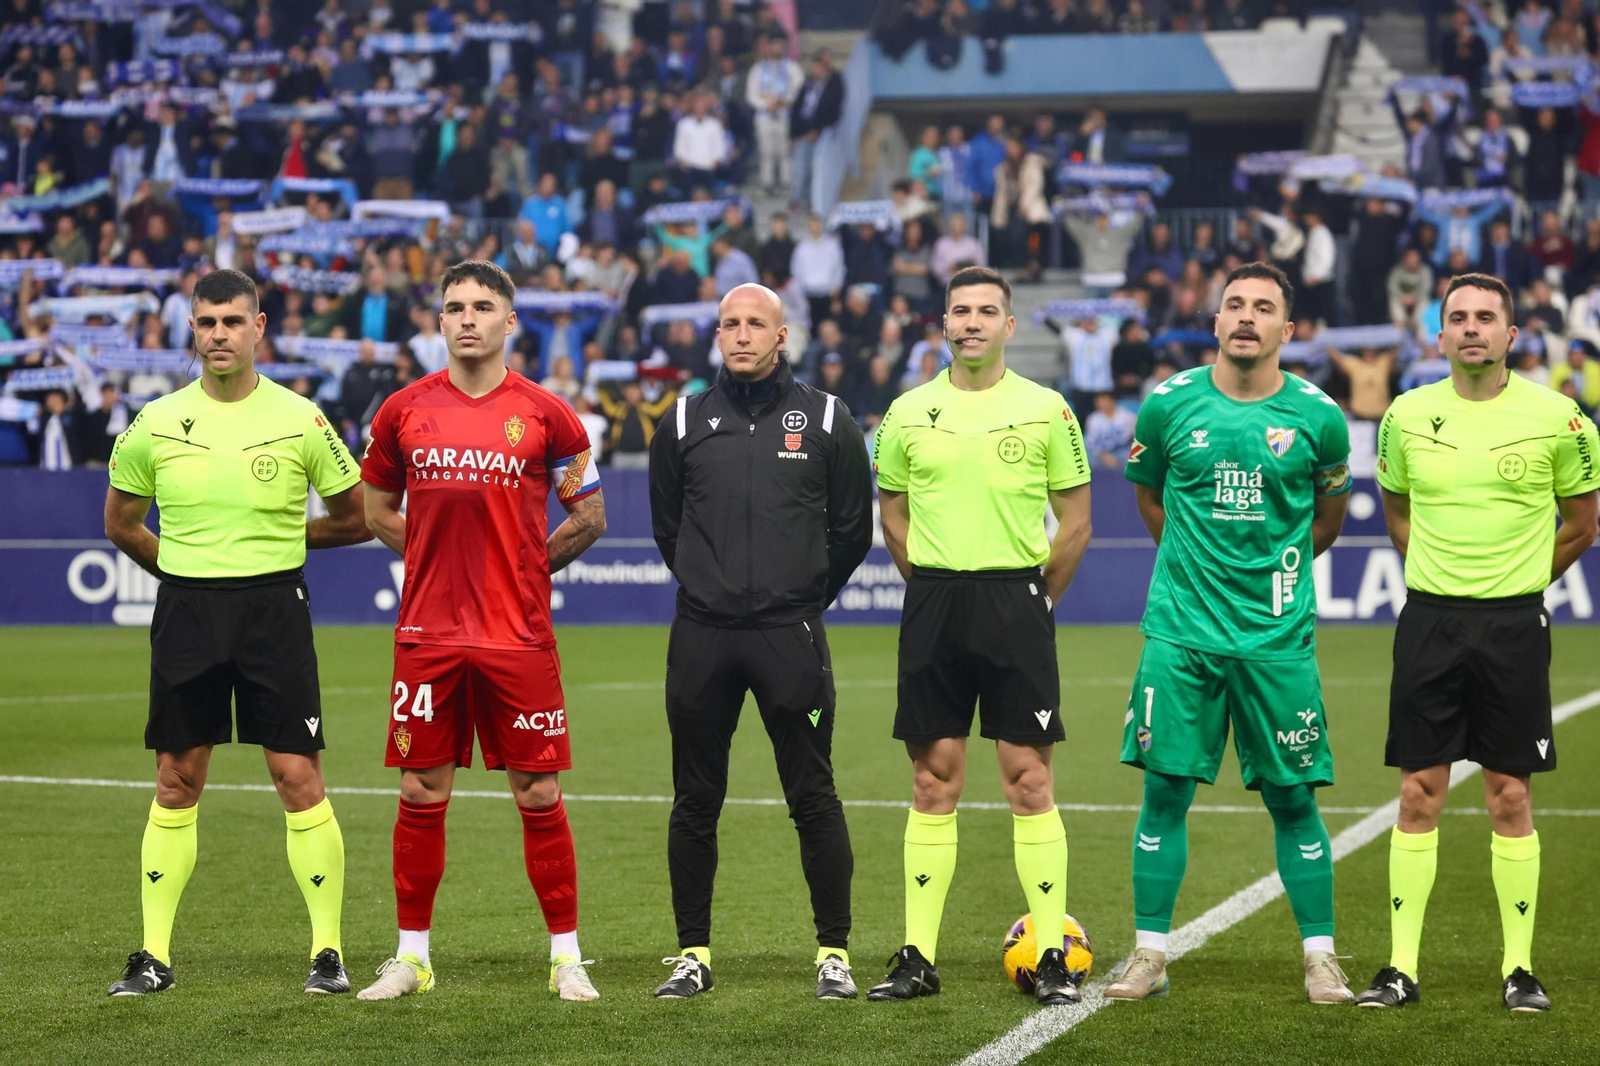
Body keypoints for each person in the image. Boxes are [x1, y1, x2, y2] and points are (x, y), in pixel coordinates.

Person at [103, 269, 371, 996]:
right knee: (177, 778)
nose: (218, 333)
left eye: (232, 320)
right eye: (206, 322)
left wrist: (281, 540)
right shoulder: (155, 420)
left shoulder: (302, 417)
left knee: (297, 775)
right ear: (191, 330)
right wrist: (186, 566)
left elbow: (356, 517)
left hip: (273, 610)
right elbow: (121, 523)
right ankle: (153, 955)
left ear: (259, 327)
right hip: (187, 610)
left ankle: (327, 953)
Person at [357, 260, 609, 1003]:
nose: (468, 318)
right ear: (438, 321)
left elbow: (588, 516)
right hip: (429, 634)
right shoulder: (401, 410)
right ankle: (411, 958)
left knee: (537, 792)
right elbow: (375, 511)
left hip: (517, 635)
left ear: (510, 321)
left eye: (483, 306)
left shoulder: (549, 414)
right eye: (454, 307)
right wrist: (437, 558)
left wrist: (526, 571)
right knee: (421, 786)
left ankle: (566, 958)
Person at [1104, 262, 1355, 1006]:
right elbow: (1151, 500)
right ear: (1215, 322)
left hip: (1276, 640)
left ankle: (1321, 957)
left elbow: (1327, 519)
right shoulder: (1168, 406)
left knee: (1293, 799)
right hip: (1181, 634)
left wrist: (1267, 580)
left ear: (1288, 329)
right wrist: (1196, 568)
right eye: (1234, 305)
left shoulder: (1320, 417)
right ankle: (1150, 953)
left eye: (1263, 307)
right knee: (1165, 792)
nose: (1246, 317)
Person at [1357, 274, 1600, 1012]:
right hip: (1429, 620)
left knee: (1509, 795)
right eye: (1457, 317)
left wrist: (1523, 581)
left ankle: (1519, 970)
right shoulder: (1406, 414)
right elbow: (1396, 507)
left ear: (1511, 335)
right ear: (1439, 336)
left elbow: (1584, 522)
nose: (1471, 328)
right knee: (1418, 792)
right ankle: (1400, 969)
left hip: (1514, 626)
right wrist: (1436, 570)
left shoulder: (1562, 419)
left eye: (1486, 317)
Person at [867, 266, 1093, 1006]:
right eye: (960, 310)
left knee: (1029, 778)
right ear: (944, 323)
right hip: (934, 601)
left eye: (986, 311)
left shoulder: (1047, 409)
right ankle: (917, 958)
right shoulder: (907, 411)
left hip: (1015, 601)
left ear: (1009, 325)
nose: (972, 322)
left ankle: (1052, 954)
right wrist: (927, 584)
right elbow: (892, 512)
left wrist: (1036, 599)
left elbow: (1077, 517)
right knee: (933, 778)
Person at [647, 283, 873, 999]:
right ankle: (692, 954)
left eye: (756, 324)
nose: (741, 335)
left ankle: (832, 953)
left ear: (783, 337)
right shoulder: (682, 419)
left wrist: (800, 600)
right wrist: (712, 587)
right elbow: (667, 529)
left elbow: (851, 532)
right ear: (717, 336)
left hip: (790, 640)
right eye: (729, 324)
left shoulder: (829, 419)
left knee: (813, 795)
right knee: (695, 799)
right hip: (702, 639)